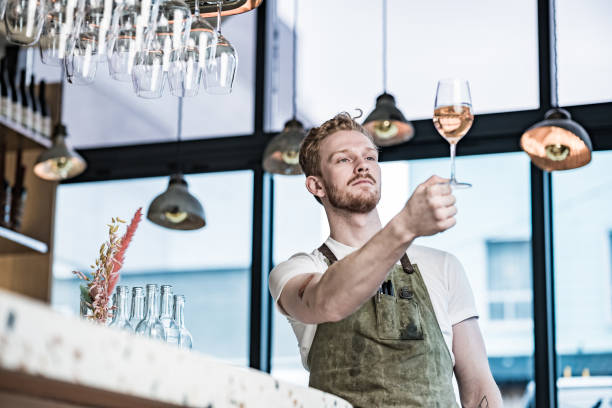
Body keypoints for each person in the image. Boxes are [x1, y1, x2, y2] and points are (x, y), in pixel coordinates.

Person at [268, 113, 503, 407]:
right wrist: (405, 226)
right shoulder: (297, 271)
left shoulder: (444, 266)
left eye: (370, 157)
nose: (362, 165)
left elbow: (478, 383)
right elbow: (326, 301)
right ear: (317, 186)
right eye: (344, 159)